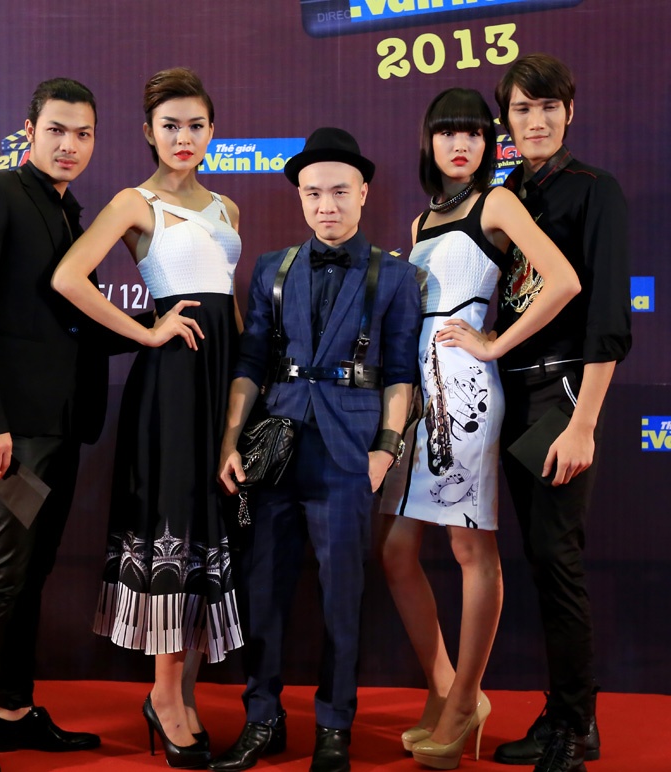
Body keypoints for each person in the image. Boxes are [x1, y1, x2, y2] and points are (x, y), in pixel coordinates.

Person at [377, 88, 580, 771]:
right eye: (447, 132)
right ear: (429, 141)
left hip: (465, 389)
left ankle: (464, 700)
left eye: (471, 132)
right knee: (396, 552)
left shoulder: (497, 203)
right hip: (418, 396)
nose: (459, 144)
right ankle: (447, 690)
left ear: (489, 143)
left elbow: (562, 280)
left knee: (471, 550)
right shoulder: (421, 219)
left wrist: (495, 342)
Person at [210, 127, 421, 772]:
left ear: (364, 193)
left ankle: (335, 725)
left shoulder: (396, 275)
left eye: (338, 192)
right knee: (263, 590)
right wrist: (231, 439)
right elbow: (250, 361)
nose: (326, 205)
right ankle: (262, 718)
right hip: (274, 448)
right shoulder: (272, 268)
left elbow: (400, 371)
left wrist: (386, 449)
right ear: (299, 197)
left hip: (349, 453)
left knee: (341, 596)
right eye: (312, 193)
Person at [52, 67, 242, 769]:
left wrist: (242, 398)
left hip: (221, 384)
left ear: (212, 131)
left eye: (195, 125)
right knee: (174, 523)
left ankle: (182, 692)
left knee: (207, 529)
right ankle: (163, 696)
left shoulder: (227, 208)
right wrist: (146, 331)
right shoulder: (135, 202)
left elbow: (231, 307)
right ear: (148, 133)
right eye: (170, 126)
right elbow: (68, 277)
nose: (183, 137)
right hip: (171, 387)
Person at [0, 78, 114, 772]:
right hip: (10, 433)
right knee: (1, 576)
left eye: (83, 134)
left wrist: (154, 331)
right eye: (57, 131)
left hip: (63, 425)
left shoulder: (71, 214)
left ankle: (13, 711)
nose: (70, 145)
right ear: (30, 131)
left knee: (32, 574)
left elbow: (69, 324)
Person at [488, 54, 631, 772]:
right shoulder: (504, 195)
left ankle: (576, 729)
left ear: (569, 111)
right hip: (510, 395)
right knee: (542, 563)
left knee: (558, 559)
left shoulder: (595, 190)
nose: (536, 120)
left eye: (548, 106)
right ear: (506, 121)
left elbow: (607, 315)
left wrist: (584, 424)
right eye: (522, 109)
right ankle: (562, 716)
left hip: (563, 394)